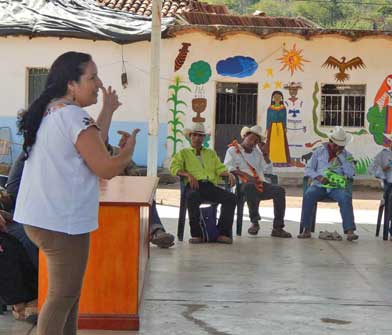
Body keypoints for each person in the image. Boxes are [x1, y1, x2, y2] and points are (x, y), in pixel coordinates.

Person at [13, 51, 139, 335]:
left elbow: (92, 146)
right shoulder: (73, 116)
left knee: (68, 296)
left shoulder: (54, 110)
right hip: (62, 222)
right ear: (72, 83)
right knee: (61, 298)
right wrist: (127, 152)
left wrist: (107, 110)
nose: (98, 83)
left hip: (43, 217)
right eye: (92, 77)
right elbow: (105, 167)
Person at [170, 123, 236, 244]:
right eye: (194, 135)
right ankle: (197, 235)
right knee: (192, 197)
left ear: (203, 138)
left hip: (209, 186)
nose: (197, 138)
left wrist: (229, 174)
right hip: (194, 186)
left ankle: (222, 233)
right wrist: (188, 175)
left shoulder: (211, 153)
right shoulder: (183, 153)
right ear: (190, 137)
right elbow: (174, 168)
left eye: (200, 136)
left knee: (231, 198)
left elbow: (220, 168)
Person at [224, 125, 291, 238]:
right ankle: (255, 222)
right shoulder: (232, 150)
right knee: (249, 187)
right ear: (245, 136)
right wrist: (246, 176)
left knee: (280, 190)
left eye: (256, 141)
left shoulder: (257, 153)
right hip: (242, 186)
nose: (252, 143)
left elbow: (268, 170)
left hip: (259, 184)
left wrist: (265, 154)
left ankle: (278, 228)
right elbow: (227, 167)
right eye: (250, 139)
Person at [106, 143, 175, 248]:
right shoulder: (86, 153)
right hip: (97, 196)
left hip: (122, 192)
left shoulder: (119, 152)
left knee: (146, 196)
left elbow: (134, 170)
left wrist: (130, 174)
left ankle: (156, 231)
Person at [298, 126, 358, 241]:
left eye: (341, 146)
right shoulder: (318, 152)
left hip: (336, 187)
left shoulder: (347, 156)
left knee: (345, 197)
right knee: (309, 194)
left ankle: (350, 231)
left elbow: (350, 173)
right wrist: (319, 177)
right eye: (335, 145)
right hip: (319, 185)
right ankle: (306, 229)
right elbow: (308, 169)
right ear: (330, 142)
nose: (338, 148)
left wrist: (341, 157)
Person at [266, 91, 290, 166]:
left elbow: (284, 118)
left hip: (280, 127)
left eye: (279, 97)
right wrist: (267, 127)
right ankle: (272, 160)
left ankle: (281, 160)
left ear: (281, 98)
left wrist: (285, 127)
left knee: (281, 144)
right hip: (272, 128)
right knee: (272, 145)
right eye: (275, 97)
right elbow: (268, 118)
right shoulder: (270, 108)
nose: (277, 98)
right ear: (272, 98)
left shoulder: (283, 108)